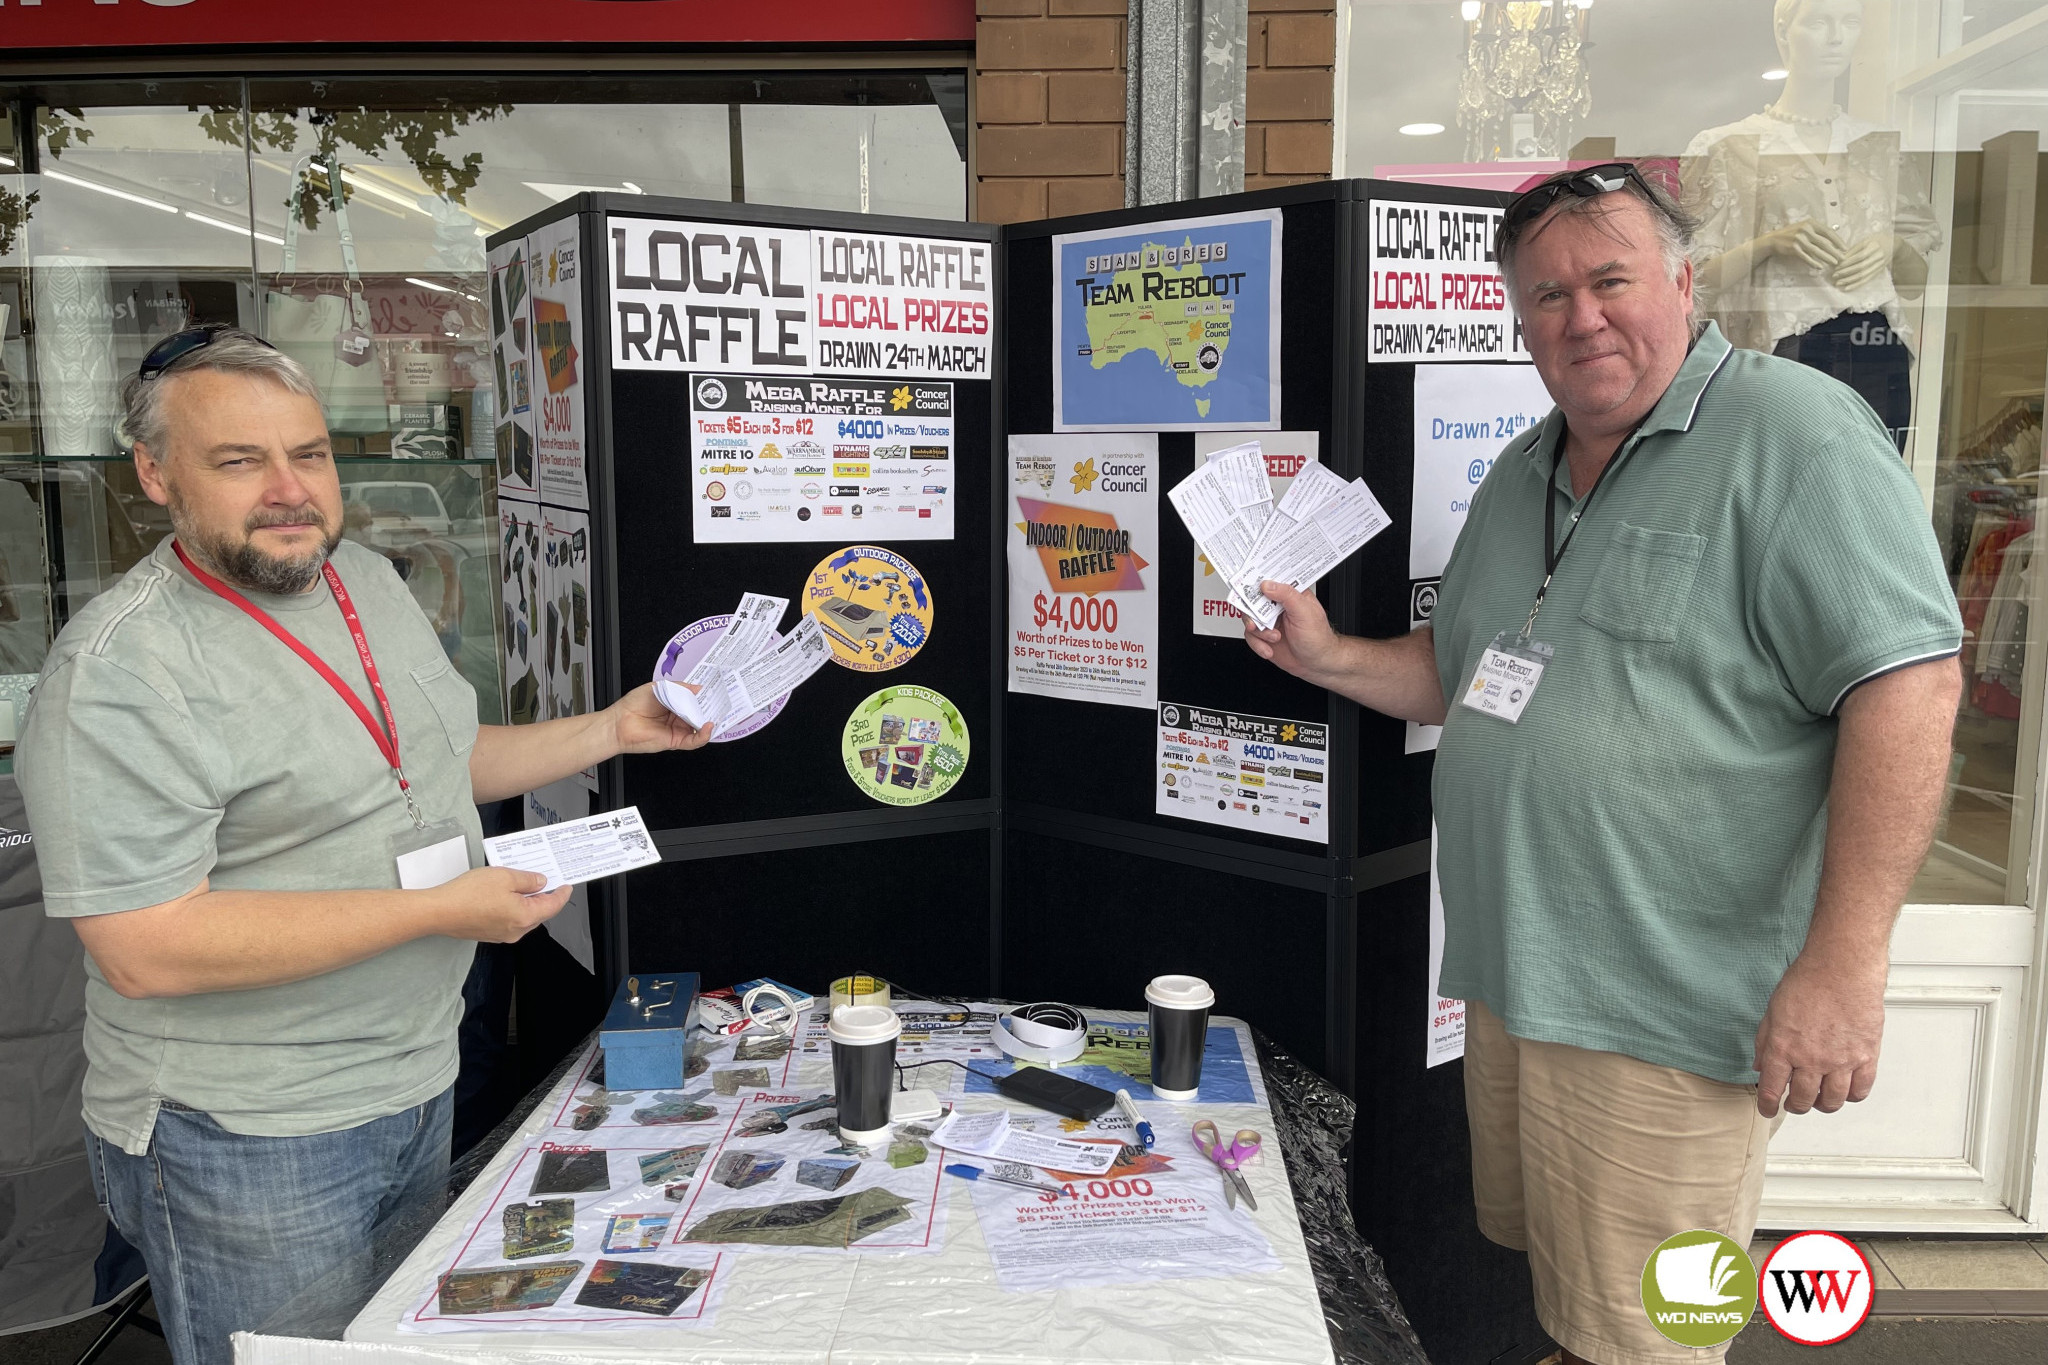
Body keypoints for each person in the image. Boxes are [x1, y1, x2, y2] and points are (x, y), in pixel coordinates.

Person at [1245, 166, 1961, 1365]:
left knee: (1651, 1333)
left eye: (1609, 280)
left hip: (1666, 1008)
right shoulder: (1524, 468)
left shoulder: (1791, 432)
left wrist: (1841, 967)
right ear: (1516, 321)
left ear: (1680, 282)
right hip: (1518, 985)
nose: (1580, 317)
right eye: (1544, 296)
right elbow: (1465, 670)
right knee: (1575, 1295)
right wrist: (1329, 656)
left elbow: (1908, 686)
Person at [15, 327, 711, 1365]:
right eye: (239, 461)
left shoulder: (366, 583)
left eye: (310, 454)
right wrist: (440, 910)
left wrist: (611, 729)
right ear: (155, 477)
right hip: (249, 1131)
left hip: (414, 1075)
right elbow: (143, 945)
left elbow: (440, 759)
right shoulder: (120, 674)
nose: (290, 491)